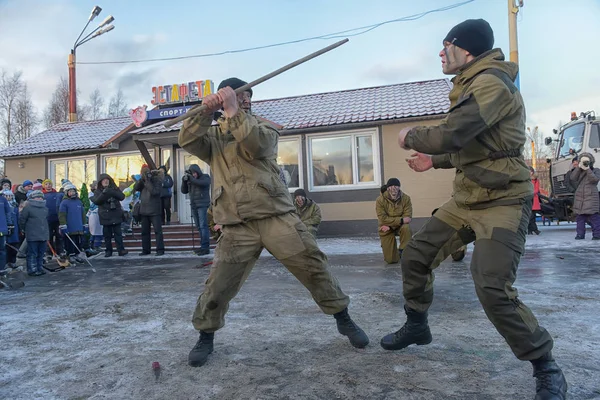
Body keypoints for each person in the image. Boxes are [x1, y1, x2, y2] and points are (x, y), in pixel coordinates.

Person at [390, 19, 567, 399]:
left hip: (503, 202)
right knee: (415, 257)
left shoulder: (489, 82)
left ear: (465, 50)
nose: (440, 53)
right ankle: (417, 324)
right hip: (467, 199)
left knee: (491, 285)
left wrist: (410, 137)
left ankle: (545, 364)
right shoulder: (471, 82)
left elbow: (453, 134)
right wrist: (433, 162)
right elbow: (476, 146)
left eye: (446, 45)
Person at [179, 77, 368, 368]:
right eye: (237, 96)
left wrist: (232, 112)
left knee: (313, 266)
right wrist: (204, 112)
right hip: (236, 225)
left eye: (246, 96)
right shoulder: (213, 139)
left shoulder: (263, 128)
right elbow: (187, 140)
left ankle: (343, 318)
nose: (244, 100)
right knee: (218, 286)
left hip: (276, 217)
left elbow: (257, 145)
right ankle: (206, 335)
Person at [376, 178, 412, 263]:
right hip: (386, 227)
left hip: (400, 226)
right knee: (391, 260)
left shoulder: (406, 198)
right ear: (387, 188)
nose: (393, 188)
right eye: (391, 186)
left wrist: (394, 222)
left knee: (406, 228)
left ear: (399, 187)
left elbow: (407, 218)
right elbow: (383, 218)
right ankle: (393, 254)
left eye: (396, 186)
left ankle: (404, 251)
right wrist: (400, 220)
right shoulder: (380, 200)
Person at [92, 174, 128, 257]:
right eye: (104, 180)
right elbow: (97, 201)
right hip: (105, 216)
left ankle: (121, 250)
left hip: (116, 215)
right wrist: (105, 193)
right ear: (101, 182)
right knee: (107, 235)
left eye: (107, 180)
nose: (106, 181)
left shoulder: (114, 188)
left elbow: (122, 197)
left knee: (118, 234)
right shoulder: (98, 191)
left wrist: (112, 191)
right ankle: (108, 251)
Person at [134, 164, 165, 256]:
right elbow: (136, 188)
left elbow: (155, 192)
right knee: (144, 232)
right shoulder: (142, 182)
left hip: (154, 210)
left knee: (158, 231)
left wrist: (148, 181)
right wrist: (142, 179)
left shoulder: (157, 180)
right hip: (144, 210)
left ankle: (160, 249)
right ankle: (146, 250)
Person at [181, 164, 211, 255]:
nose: (194, 175)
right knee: (198, 226)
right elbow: (184, 191)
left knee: (203, 226)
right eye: (192, 173)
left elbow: (202, 184)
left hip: (202, 204)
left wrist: (191, 179)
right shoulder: (191, 180)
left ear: (198, 171)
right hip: (194, 205)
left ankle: (205, 247)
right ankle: (202, 246)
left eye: (194, 173)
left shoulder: (205, 177)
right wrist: (184, 181)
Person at [570, 152, 600, 240]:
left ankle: (597, 235)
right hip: (580, 197)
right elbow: (573, 178)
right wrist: (579, 167)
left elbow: (594, 180)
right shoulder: (579, 170)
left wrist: (587, 169)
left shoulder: (596, 170)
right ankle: (580, 234)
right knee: (580, 217)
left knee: (594, 217)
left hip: (591, 196)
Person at [19, 190, 47, 276]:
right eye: (37, 197)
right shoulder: (28, 208)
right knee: (32, 253)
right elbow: (22, 220)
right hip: (32, 234)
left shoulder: (45, 209)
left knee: (41, 252)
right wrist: (24, 230)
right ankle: (32, 269)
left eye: (40, 197)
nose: (39, 198)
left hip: (43, 234)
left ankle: (40, 267)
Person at [59, 184, 86, 264]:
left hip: (78, 226)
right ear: (66, 193)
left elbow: (83, 214)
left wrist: (85, 224)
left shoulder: (79, 202)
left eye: (73, 191)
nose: (72, 193)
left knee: (78, 241)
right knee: (70, 242)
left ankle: (77, 254)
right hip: (70, 226)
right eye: (70, 191)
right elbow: (62, 215)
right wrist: (63, 225)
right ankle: (70, 255)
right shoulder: (64, 203)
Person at [42, 179, 63, 257]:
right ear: (44, 186)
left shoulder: (57, 194)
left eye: (49, 184)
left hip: (57, 218)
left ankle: (60, 251)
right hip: (47, 219)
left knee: (59, 235)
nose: (48, 186)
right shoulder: (42, 195)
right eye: (46, 184)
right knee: (49, 236)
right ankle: (50, 252)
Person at [3, 190, 20, 269]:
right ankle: (5, 263)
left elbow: (18, 218)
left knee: (14, 247)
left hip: (15, 230)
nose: (8, 198)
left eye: (10, 196)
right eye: (6, 196)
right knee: (6, 248)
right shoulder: (2, 207)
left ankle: (13, 261)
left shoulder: (15, 207)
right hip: (5, 230)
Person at [87, 181, 103, 252]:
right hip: (93, 213)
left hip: (100, 214)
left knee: (99, 230)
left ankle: (98, 245)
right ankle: (91, 245)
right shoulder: (91, 195)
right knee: (93, 230)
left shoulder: (102, 193)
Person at [0, 190, 13, 274]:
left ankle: (1, 268)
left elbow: (8, 212)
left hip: (2, 229)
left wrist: (9, 224)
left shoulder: (2, 199)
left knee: (2, 250)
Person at [528, 167, 541, 235]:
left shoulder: (535, 180)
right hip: (528, 199)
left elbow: (536, 189)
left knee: (532, 216)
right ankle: (534, 229)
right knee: (530, 216)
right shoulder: (526, 179)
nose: (530, 173)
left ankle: (531, 230)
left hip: (534, 199)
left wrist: (530, 193)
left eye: (531, 171)